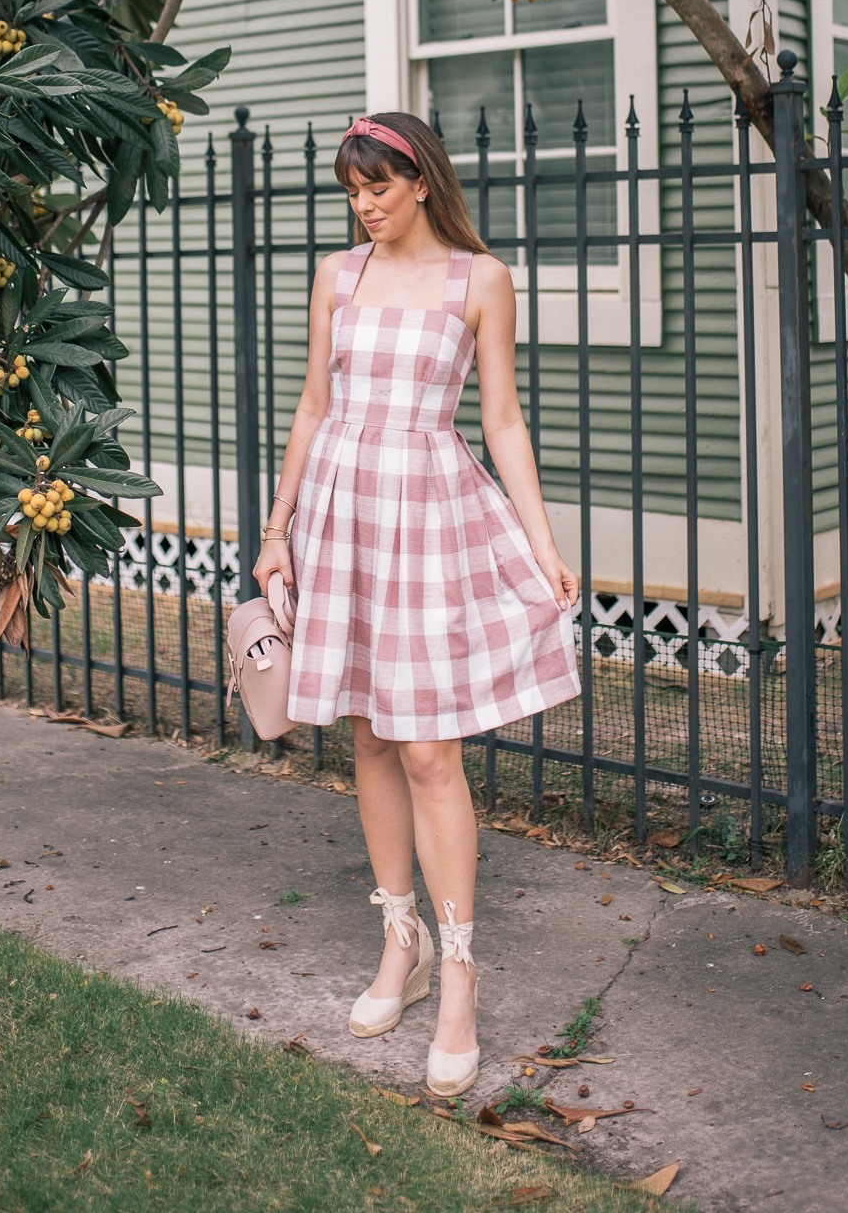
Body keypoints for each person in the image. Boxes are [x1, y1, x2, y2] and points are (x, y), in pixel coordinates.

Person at [251, 112, 580, 1096]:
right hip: (343, 510)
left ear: (421, 182)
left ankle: (460, 973)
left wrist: (544, 541)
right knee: (369, 736)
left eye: (380, 188)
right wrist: (277, 531)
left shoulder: (478, 281)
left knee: (430, 747)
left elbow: (505, 420)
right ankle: (399, 942)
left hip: (427, 511)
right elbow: (313, 406)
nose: (365, 206)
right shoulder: (337, 275)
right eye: (353, 191)